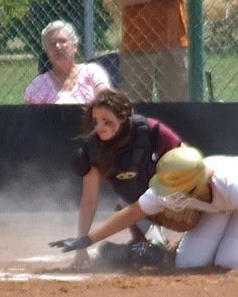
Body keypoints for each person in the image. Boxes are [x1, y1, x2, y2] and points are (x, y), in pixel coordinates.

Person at [51, 145, 238, 273]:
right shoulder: (180, 181)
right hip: (216, 205)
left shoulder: (236, 187)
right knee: (188, 264)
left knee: (229, 262)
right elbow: (132, 212)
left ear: (190, 185)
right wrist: (87, 239)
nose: (165, 195)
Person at [68, 89, 184, 268]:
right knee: (149, 255)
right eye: (95, 121)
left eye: (107, 121)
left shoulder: (151, 131)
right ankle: (121, 251)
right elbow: (89, 199)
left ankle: (181, 243)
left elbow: (190, 162)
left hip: (172, 203)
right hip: (136, 207)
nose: (99, 127)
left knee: (189, 256)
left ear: (123, 117)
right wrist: (81, 246)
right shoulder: (94, 149)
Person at [24, 20, 112, 104]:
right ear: (46, 51)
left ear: (75, 46)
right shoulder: (38, 85)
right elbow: (30, 117)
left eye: (62, 41)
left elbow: (107, 105)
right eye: (52, 43)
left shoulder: (92, 72)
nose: (57, 46)